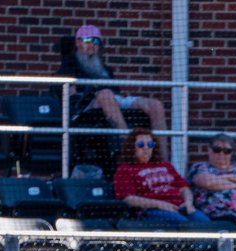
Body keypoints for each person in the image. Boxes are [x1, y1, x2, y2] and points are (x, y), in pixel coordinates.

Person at [55, 24, 170, 162]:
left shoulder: (104, 68)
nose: (92, 44)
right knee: (106, 94)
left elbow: (117, 94)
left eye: (96, 41)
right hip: (86, 105)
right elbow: (71, 96)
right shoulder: (69, 65)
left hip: (112, 99)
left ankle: (163, 161)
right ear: (78, 42)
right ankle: (130, 148)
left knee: (155, 105)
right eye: (87, 40)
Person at [113, 126, 213, 228]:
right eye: (141, 145)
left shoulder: (165, 165)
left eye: (150, 144)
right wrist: (159, 204)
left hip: (180, 207)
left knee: (207, 224)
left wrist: (188, 203)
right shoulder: (125, 169)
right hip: (152, 211)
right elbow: (127, 198)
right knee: (184, 225)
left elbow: (184, 188)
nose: (146, 149)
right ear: (131, 147)